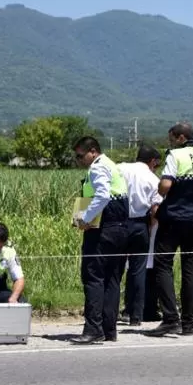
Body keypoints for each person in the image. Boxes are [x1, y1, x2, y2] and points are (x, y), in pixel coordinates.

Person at [145, 122, 193, 337]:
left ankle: (170, 318)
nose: (170, 143)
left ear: (181, 138)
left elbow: (166, 186)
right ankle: (189, 323)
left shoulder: (176, 155)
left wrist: (161, 195)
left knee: (163, 265)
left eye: (171, 139)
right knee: (190, 270)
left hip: (174, 219)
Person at [72, 136, 130, 344]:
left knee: (93, 278)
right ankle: (109, 329)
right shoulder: (111, 165)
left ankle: (93, 329)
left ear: (93, 151)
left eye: (80, 155)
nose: (78, 160)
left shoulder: (97, 168)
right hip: (120, 228)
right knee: (112, 280)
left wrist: (84, 218)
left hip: (102, 230)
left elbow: (103, 195)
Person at [117, 145, 163, 326]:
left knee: (116, 269)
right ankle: (135, 314)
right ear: (152, 161)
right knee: (138, 270)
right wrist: (150, 227)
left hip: (118, 222)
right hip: (139, 224)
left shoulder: (120, 168)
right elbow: (155, 209)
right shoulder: (152, 178)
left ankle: (112, 311)